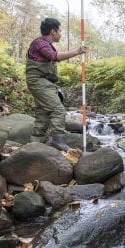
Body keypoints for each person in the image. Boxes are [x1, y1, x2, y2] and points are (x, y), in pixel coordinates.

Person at [26, 17, 87, 152]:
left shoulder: (45, 44)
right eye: (60, 31)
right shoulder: (39, 43)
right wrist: (77, 51)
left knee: (43, 111)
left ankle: (36, 142)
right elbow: (54, 56)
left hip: (45, 82)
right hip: (38, 81)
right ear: (53, 31)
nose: (61, 34)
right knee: (58, 110)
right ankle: (58, 142)